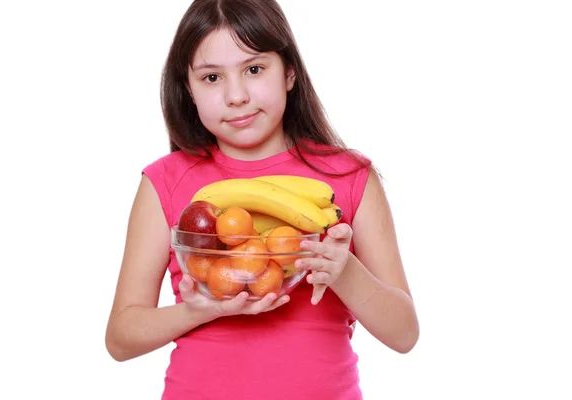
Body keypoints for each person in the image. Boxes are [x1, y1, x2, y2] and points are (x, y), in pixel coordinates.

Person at [105, 0, 419, 398]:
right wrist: (198, 311)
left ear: (289, 71)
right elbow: (121, 338)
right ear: (188, 88)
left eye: (254, 69)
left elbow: (404, 334)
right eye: (211, 77)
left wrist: (346, 273)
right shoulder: (165, 182)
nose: (236, 95)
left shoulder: (348, 179)